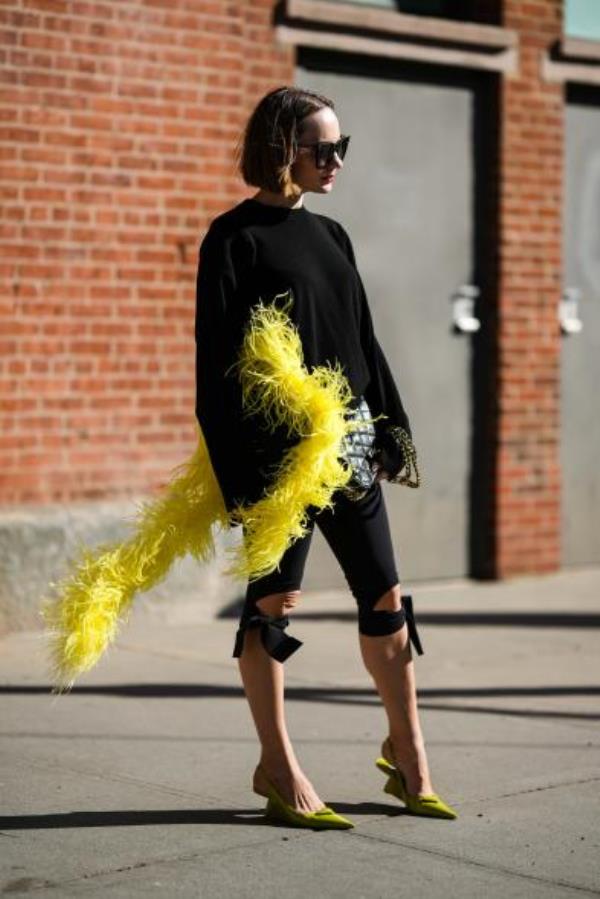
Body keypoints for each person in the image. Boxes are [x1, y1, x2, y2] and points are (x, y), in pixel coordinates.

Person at [195, 86, 457, 829]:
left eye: (343, 147)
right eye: (323, 148)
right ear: (283, 149)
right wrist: (237, 475)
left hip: (348, 444)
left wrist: (390, 429)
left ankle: (410, 757)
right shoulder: (233, 239)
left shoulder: (333, 234)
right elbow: (214, 367)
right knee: (274, 605)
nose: (336, 161)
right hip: (276, 460)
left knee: (387, 599)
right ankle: (277, 765)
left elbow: (360, 340)